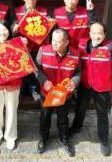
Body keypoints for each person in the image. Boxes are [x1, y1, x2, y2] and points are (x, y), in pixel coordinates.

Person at [72, 22, 112, 156]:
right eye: (94, 33)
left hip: (101, 88)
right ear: (89, 33)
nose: (96, 36)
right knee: (80, 109)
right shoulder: (82, 44)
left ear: (105, 35)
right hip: (85, 85)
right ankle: (76, 127)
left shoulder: (109, 47)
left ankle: (104, 139)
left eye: (100, 33)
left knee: (102, 115)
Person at [35, 29, 80, 157]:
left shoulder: (76, 54)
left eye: (58, 41)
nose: (54, 43)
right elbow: (36, 69)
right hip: (47, 93)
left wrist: (74, 82)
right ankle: (43, 138)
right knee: (45, 117)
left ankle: (63, 139)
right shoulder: (43, 50)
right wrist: (43, 80)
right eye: (53, 40)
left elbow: (78, 72)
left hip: (65, 94)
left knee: (63, 118)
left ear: (66, 42)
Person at [12, 0, 50, 103]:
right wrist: (14, 29)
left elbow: (48, 27)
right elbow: (12, 29)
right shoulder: (16, 11)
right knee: (22, 70)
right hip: (22, 47)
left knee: (35, 70)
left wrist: (49, 22)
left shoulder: (44, 11)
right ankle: (21, 91)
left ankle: (34, 91)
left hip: (38, 47)